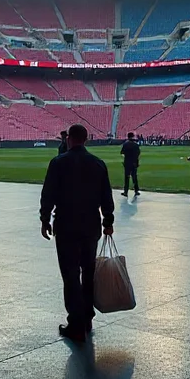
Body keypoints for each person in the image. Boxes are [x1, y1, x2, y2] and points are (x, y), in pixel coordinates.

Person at [39, 124, 114, 343]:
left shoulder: (58, 163)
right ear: (86, 140)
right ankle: (87, 318)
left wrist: (44, 219)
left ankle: (76, 323)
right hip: (90, 225)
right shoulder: (98, 164)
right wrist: (108, 221)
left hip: (66, 224)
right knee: (88, 272)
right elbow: (106, 197)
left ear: (68, 139)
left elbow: (48, 194)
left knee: (70, 275)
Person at [120, 132, 141, 197]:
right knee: (134, 177)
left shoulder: (125, 144)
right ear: (132, 136)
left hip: (127, 163)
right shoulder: (136, 145)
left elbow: (122, 153)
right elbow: (138, 154)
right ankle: (136, 190)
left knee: (127, 177)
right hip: (134, 163)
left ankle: (125, 192)